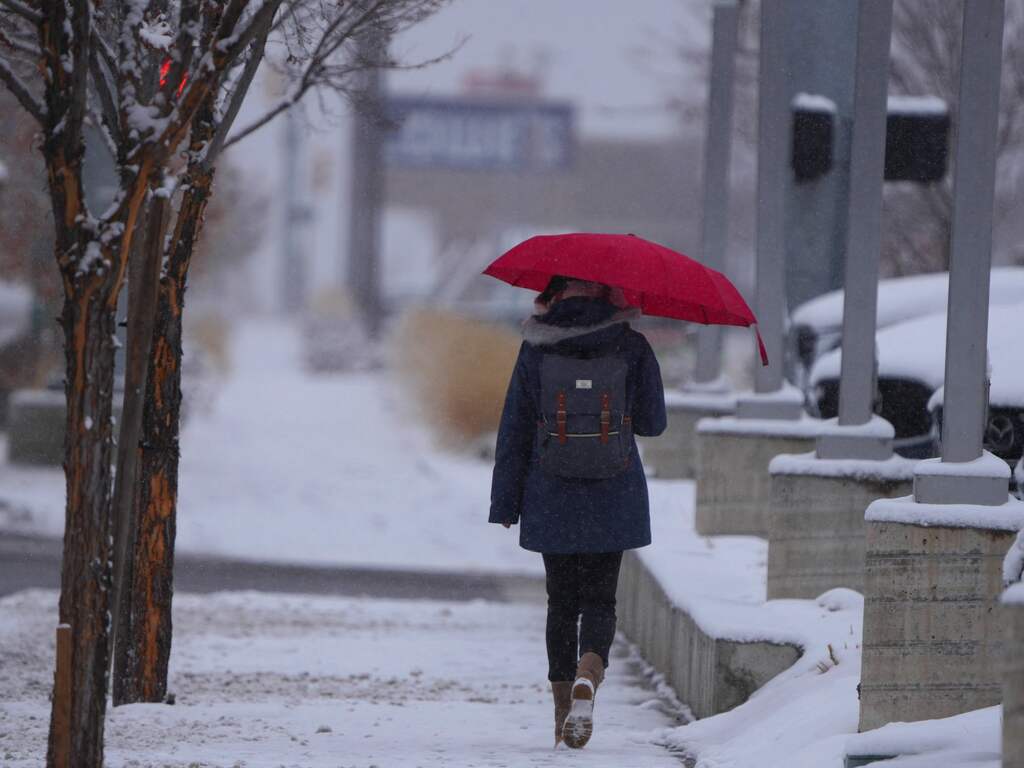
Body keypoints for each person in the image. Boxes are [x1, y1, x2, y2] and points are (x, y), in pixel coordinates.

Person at [489, 275, 667, 749]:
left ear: (552, 295)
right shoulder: (632, 345)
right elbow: (654, 423)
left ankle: (563, 707)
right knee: (600, 600)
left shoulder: (536, 346)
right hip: (614, 488)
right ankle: (591, 671)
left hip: (553, 490)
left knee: (561, 603)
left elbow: (515, 428)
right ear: (611, 294)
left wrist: (506, 501)